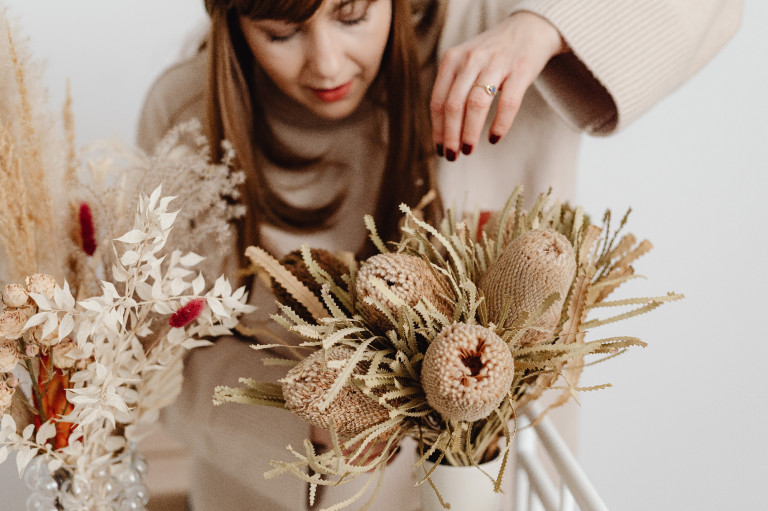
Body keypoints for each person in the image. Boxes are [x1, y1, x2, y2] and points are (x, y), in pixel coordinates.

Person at [137, 1, 741, 509]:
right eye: (281, 32)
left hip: (499, 486)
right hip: (271, 492)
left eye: (352, 14)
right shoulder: (187, 115)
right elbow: (167, 358)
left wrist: (546, 27)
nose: (326, 63)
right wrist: (308, 428)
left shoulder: (487, 26)